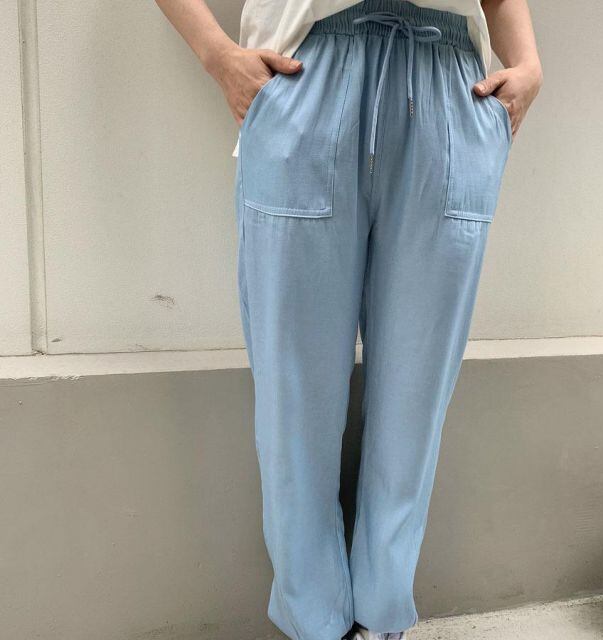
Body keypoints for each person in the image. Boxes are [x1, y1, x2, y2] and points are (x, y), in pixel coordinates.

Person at [155, 1, 542, 639]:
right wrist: (217, 56)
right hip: (308, 74)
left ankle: (382, 617)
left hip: (450, 85)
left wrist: (527, 66)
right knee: (295, 396)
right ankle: (315, 622)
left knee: (416, 395)